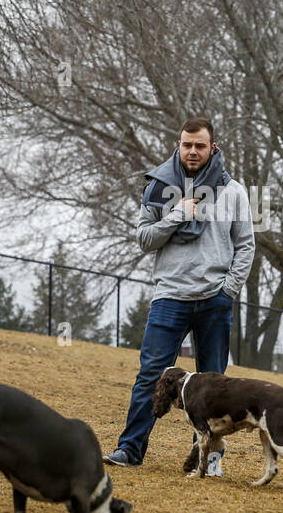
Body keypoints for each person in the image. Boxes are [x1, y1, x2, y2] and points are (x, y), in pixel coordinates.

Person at [103, 117, 255, 471]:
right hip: (170, 297)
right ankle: (130, 450)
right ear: (178, 144)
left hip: (214, 300)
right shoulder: (158, 187)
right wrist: (175, 215)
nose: (192, 151)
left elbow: (246, 246)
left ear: (212, 147)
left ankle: (209, 459)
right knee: (150, 374)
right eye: (187, 144)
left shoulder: (233, 191)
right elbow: (144, 239)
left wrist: (227, 291)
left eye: (200, 145)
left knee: (214, 383)